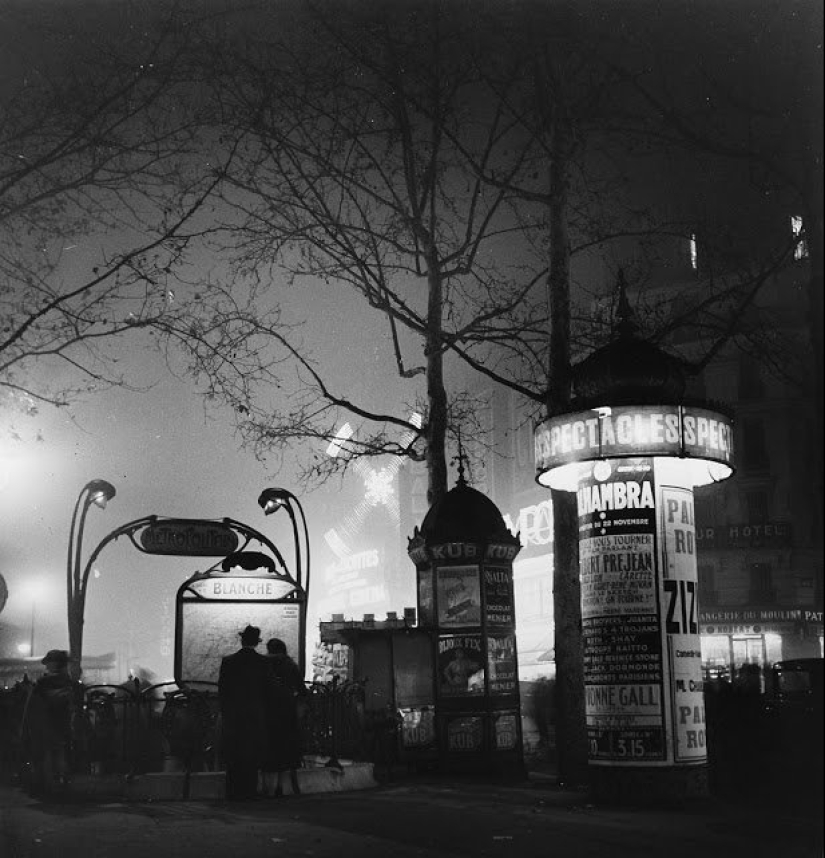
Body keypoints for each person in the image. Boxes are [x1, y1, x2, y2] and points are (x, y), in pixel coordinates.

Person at [218, 625, 273, 800]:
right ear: (257, 643)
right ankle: (249, 790)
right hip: (255, 715)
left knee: (234, 753)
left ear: (242, 641)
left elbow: (223, 690)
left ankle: (233, 790)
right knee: (251, 753)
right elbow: (268, 690)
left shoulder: (228, 661)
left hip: (234, 715)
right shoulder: (264, 662)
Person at [261, 637, 307, 797]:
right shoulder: (290, 665)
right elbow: (302, 690)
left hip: (267, 711)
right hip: (287, 711)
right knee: (284, 750)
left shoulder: (263, 664)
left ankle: (268, 787)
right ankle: (280, 785)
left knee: (268, 750)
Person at [29, 649, 76, 795]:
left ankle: (48, 784)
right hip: (63, 722)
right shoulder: (68, 682)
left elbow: (35, 704)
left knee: (48, 753)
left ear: (54, 664)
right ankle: (62, 781)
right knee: (61, 752)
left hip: (47, 722)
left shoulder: (43, 683)